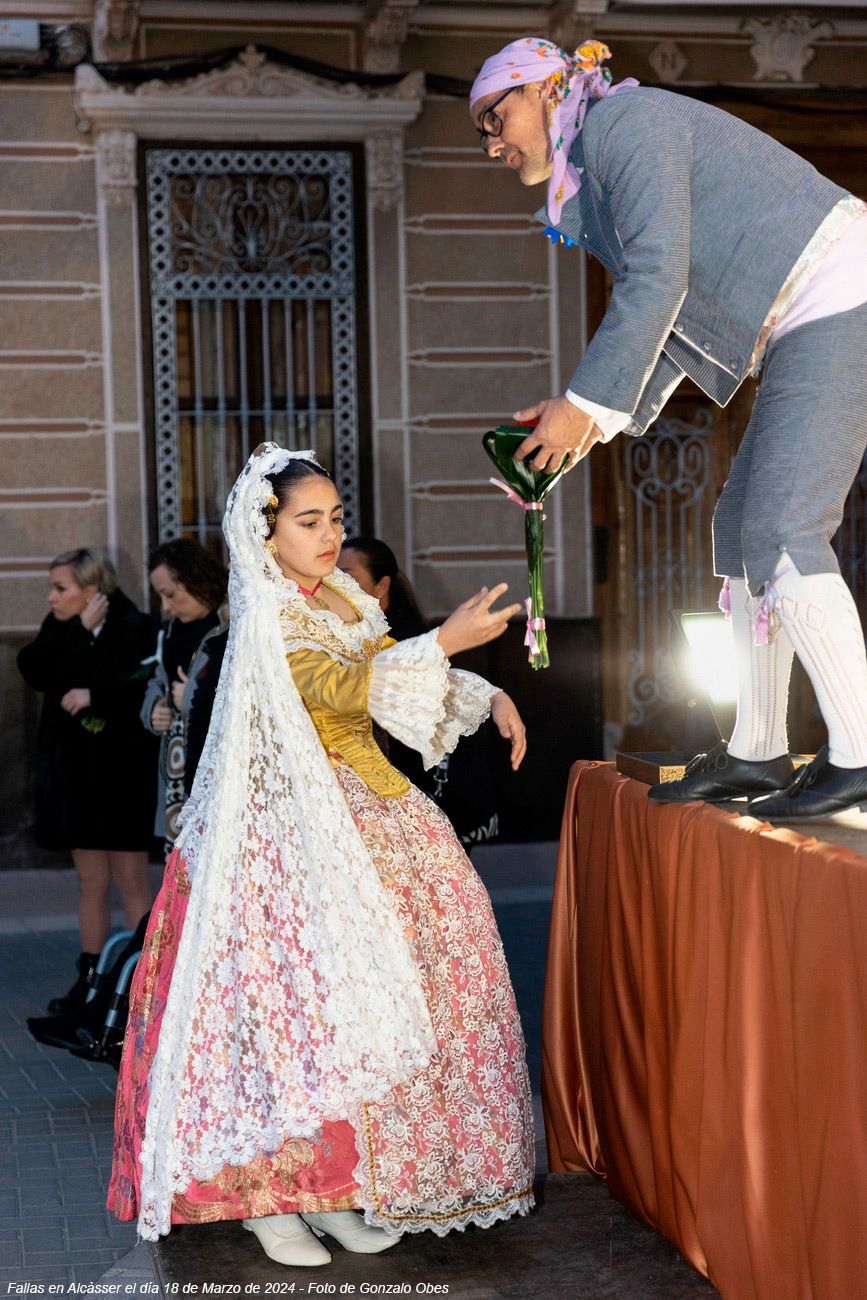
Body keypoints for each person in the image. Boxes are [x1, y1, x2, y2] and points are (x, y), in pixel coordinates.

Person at [108, 444, 535, 1263]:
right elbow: (335, 690)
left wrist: (485, 691)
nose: (330, 534)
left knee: (366, 1007)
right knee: (286, 1013)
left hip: (368, 809)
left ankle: (337, 1189)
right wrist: (441, 644)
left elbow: (381, 672)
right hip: (284, 833)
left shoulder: (342, 595)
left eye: (335, 518)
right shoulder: (267, 614)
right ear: (265, 535)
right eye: (309, 521)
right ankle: (267, 1199)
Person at [470, 38, 867, 818]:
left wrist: (582, 405)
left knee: (784, 528)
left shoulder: (624, 124)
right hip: (810, 314)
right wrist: (583, 424)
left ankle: (857, 758)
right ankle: (757, 752)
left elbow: (657, 280)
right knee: (741, 530)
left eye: (494, 115)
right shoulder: (599, 154)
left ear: (546, 89)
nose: (489, 141)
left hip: (840, 295)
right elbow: (671, 312)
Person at [17, 549, 158, 1013]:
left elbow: (146, 689)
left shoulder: (135, 627)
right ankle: (91, 982)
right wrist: (77, 630)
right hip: (75, 779)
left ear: (92, 590)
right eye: (52, 588)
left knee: (131, 880)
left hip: (122, 777)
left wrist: (97, 696)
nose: (52, 597)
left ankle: (139, 984)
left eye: (61, 588)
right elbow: (34, 670)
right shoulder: (61, 626)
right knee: (89, 882)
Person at [341, 536, 499, 846]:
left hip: (434, 796)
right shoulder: (355, 633)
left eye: (347, 575)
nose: (334, 582)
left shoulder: (407, 639)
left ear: (381, 586)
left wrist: (497, 697)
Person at [141, 540, 228, 851]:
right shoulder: (171, 632)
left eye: (170, 594)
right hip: (176, 772)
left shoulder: (228, 627)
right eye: (160, 597)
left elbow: (238, 689)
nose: (165, 607)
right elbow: (158, 678)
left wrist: (190, 696)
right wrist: (152, 709)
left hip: (214, 769)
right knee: (180, 860)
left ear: (196, 581)